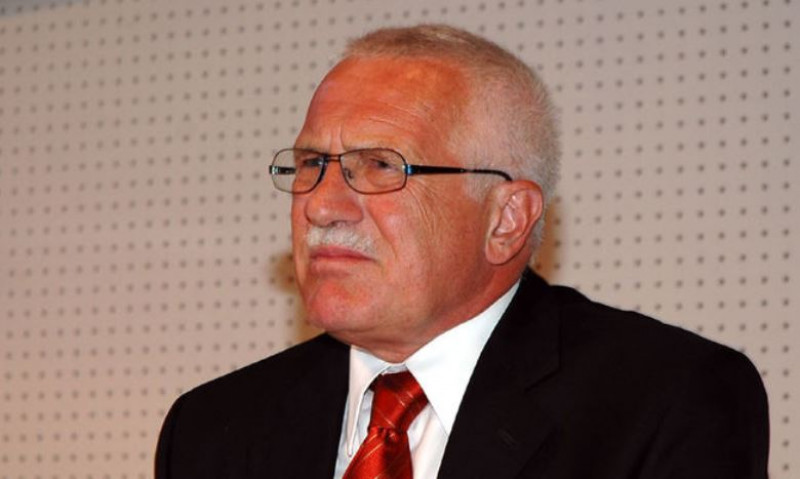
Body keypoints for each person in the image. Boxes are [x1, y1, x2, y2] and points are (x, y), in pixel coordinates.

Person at [155, 24, 769, 478]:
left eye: (380, 166)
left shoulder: (665, 401)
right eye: (313, 163)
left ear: (506, 219)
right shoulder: (211, 430)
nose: (321, 205)